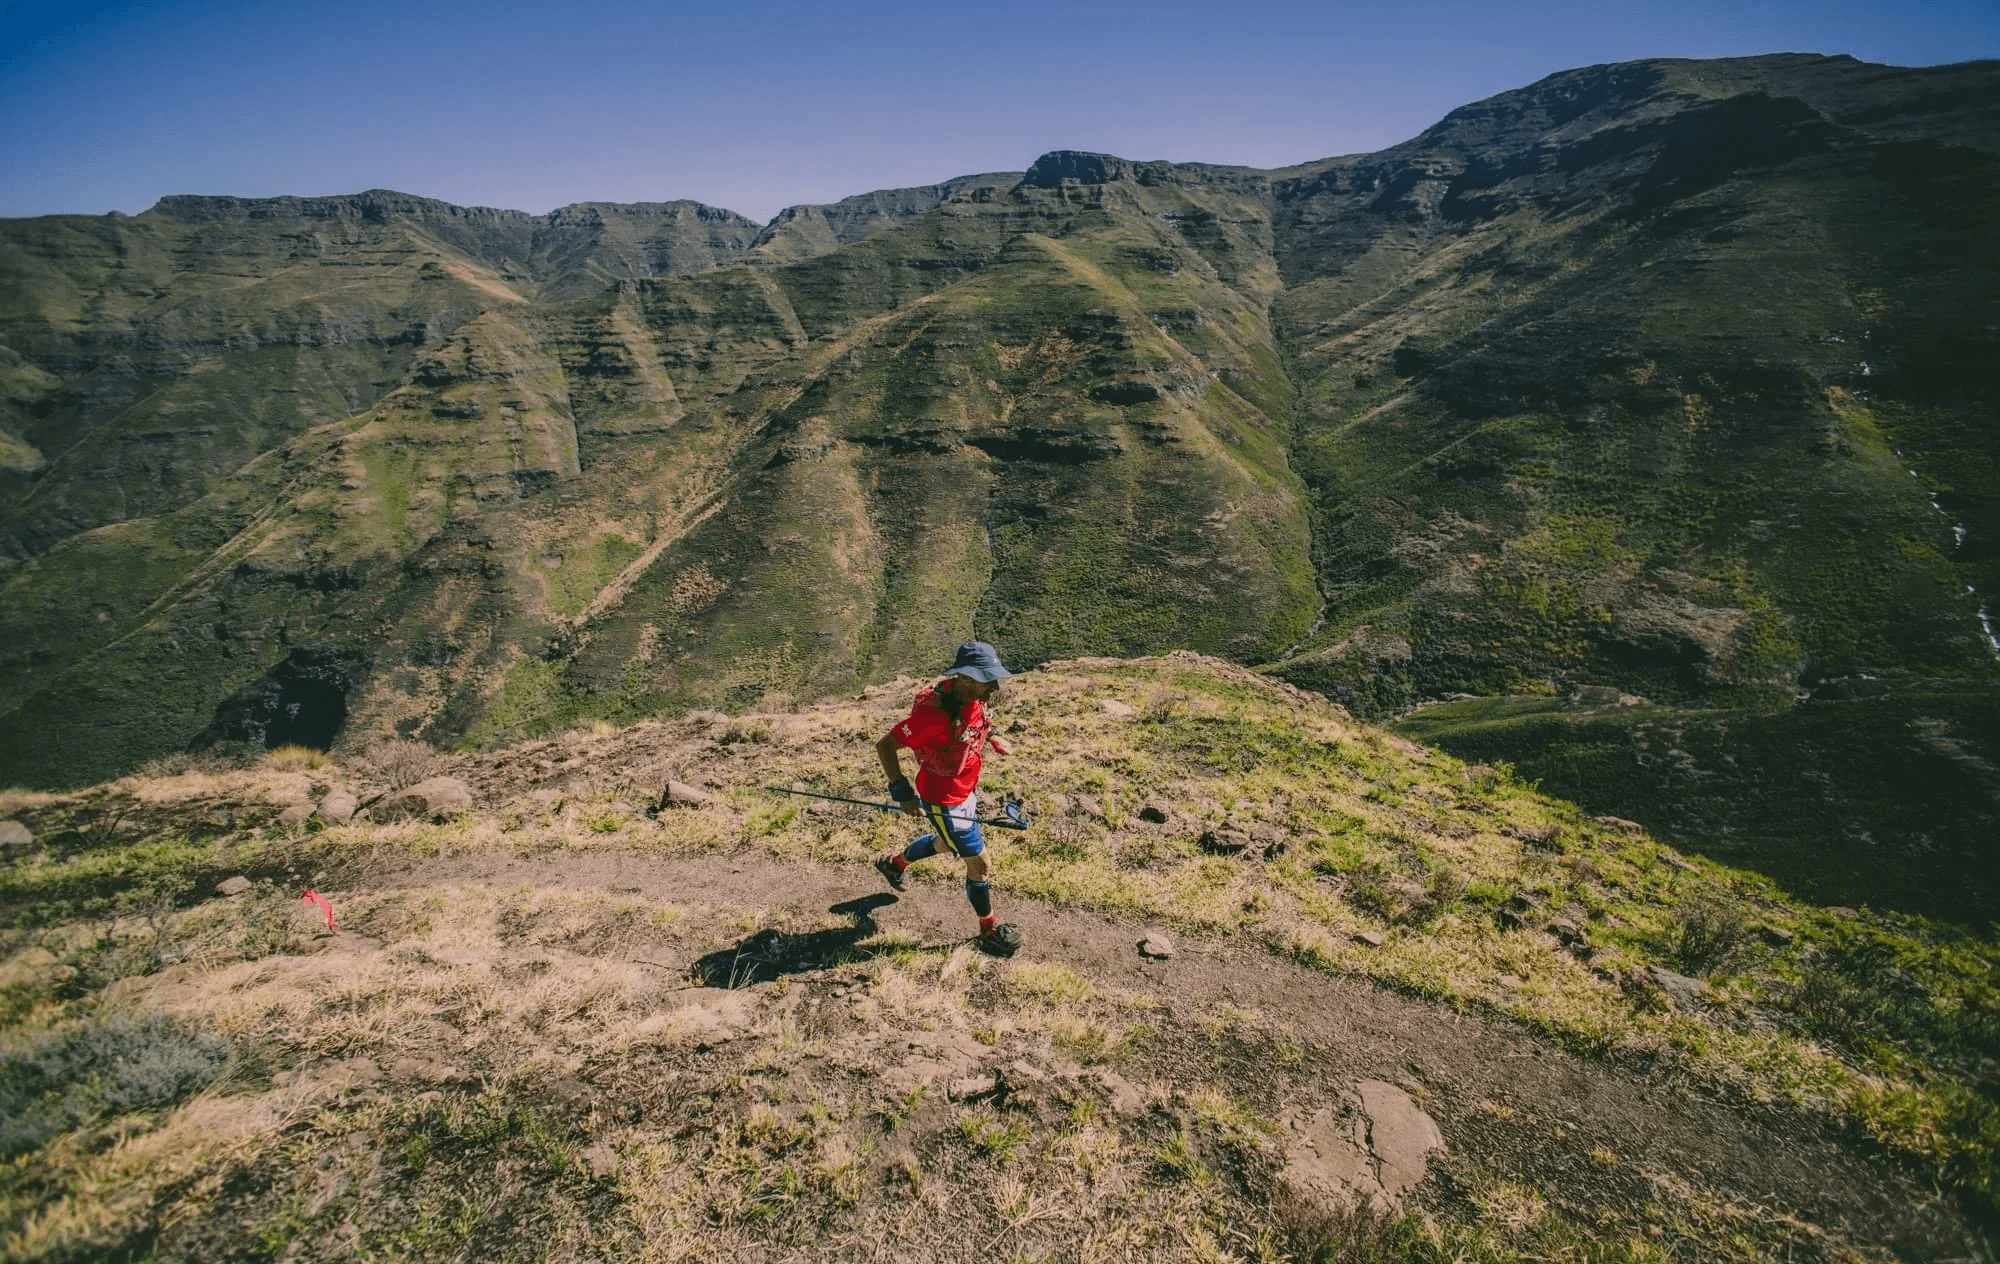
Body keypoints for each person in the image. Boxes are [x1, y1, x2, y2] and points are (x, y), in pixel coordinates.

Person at [874, 641, 1022, 956]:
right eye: (988, 680)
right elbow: (885, 746)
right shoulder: (933, 717)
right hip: (945, 800)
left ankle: (894, 865)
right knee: (979, 865)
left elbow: (979, 719)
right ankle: (988, 929)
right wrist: (902, 793)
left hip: (964, 790)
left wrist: (993, 736)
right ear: (965, 678)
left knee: (944, 843)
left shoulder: (971, 697)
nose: (995, 687)